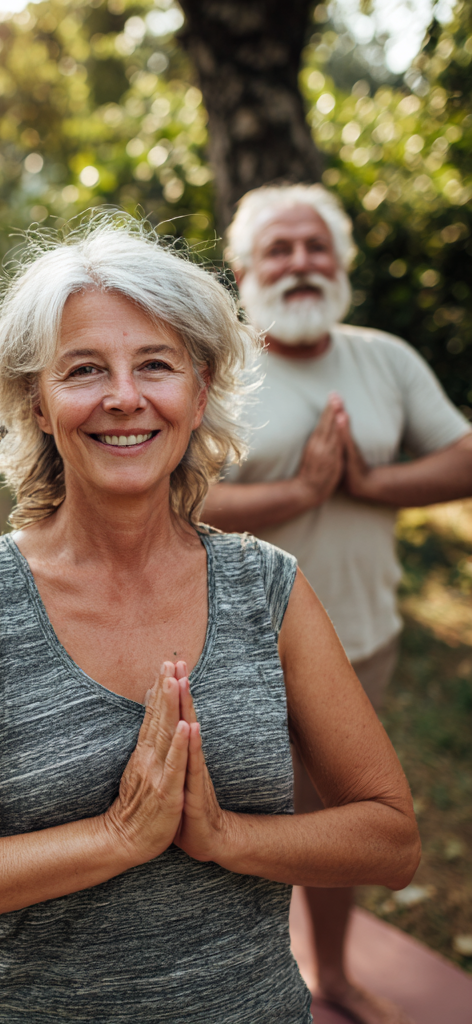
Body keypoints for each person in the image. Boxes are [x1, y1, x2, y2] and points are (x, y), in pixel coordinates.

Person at [0, 219, 420, 1023]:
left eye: (155, 364)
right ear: (38, 402)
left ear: (198, 388)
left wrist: (224, 836)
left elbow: (390, 839)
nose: (124, 397)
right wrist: (116, 838)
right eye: (83, 370)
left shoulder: (265, 587)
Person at [204, 183, 472, 1024]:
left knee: (340, 822)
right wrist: (301, 492)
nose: (300, 263)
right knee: (231, 831)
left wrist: (370, 483)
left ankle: (334, 976)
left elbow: (465, 456)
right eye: (278, 249)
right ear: (244, 271)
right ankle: (230, 989)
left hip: (362, 636)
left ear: (342, 263)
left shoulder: (384, 357)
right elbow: (173, 499)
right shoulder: (219, 367)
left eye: (315, 246)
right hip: (233, 646)